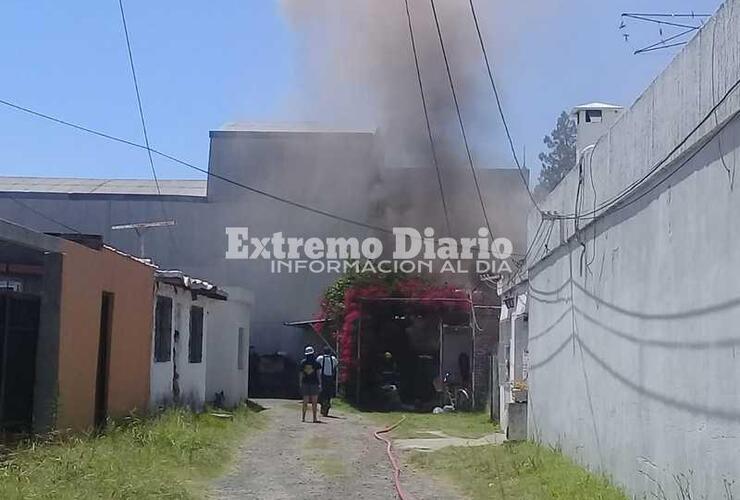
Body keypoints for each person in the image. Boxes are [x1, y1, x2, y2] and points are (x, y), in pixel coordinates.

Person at [298, 346, 322, 423]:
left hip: (305, 383)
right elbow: (318, 374)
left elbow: (301, 374)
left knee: (305, 401)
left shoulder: (303, 362)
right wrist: (320, 383)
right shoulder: (316, 363)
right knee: (314, 402)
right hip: (314, 383)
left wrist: (300, 383)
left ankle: (303, 417)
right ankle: (314, 418)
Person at [316, 346, 338, 416]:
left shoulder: (320, 358)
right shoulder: (333, 359)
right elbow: (335, 366)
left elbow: (317, 366)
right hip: (330, 379)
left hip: (322, 378)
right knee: (328, 395)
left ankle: (323, 406)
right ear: (330, 352)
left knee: (322, 394)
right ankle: (326, 407)